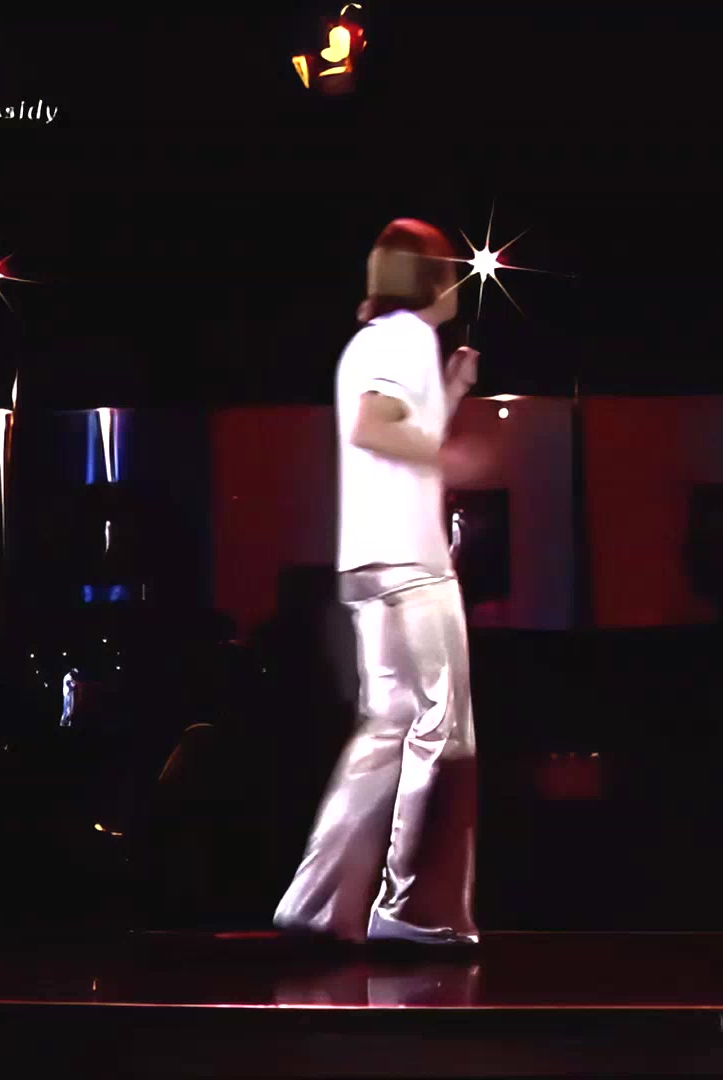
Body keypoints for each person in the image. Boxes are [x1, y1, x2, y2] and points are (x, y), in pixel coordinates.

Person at [273, 218, 486, 948]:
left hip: (367, 564)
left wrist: (450, 392)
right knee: (442, 729)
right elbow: (375, 427)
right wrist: (448, 457)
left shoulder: (370, 342)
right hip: (413, 563)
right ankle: (415, 909)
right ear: (432, 279)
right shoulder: (406, 337)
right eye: (451, 268)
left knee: (386, 727)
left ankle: (316, 904)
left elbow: (390, 430)